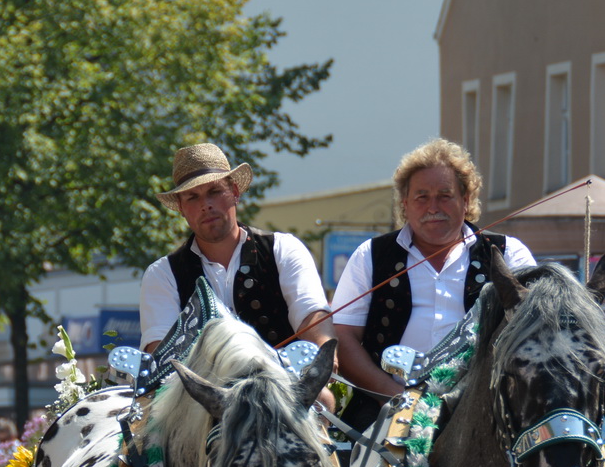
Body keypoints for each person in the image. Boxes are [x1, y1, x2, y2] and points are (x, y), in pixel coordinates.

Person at [332, 138, 537, 431]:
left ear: (466, 200)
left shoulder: (509, 254)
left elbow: (535, 332)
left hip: (487, 411)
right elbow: (343, 337)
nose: (433, 207)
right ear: (405, 204)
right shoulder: (370, 255)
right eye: (422, 197)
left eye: (444, 195)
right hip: (386, 407)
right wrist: (395, 396)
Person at [140, 143, 334, 360]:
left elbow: (310, 313)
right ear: (181, 208)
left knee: (324, 383)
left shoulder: (284, 249)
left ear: (234, 192)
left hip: (286, 381)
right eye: (192, 197)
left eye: (214, 191)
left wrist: (325, 353)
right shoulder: (162, 274)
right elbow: (161, 353)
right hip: (198, 383)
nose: (206, 205)